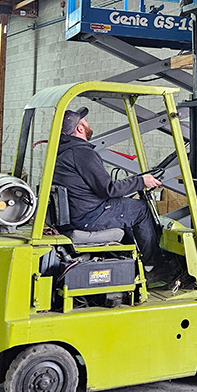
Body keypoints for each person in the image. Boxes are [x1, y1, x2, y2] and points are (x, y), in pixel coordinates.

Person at [52, 107, 167, 276]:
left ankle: (131, 259)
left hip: (75, 215)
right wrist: (141, 181)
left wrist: (134, 184)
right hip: (89, 216)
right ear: (80, 128)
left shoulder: (63, 153)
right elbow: (108, 189)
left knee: (126, 208)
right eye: (85, 121)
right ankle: (154, 266)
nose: (87, 123)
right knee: (140, 209)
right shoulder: (82, 153)